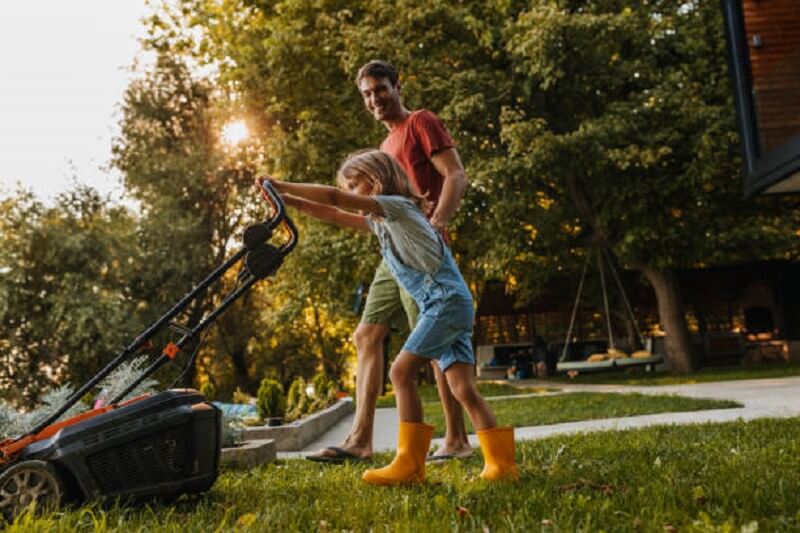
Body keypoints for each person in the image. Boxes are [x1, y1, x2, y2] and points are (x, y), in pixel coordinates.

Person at [260, 149, 518, 485]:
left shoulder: (397, 207)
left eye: (355, 184)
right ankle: (501, 466)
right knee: (463, 389)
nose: (351, 192)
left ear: (376, 177)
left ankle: (410, 465)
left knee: (399, 373)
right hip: (447, 304)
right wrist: (288, 201)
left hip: (444, 302)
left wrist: (280, 184)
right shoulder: (381, 222)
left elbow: (336, 199)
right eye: (349, 187)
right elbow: (334, 212)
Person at [307, 60, 471, 463]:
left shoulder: (420, 122)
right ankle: (360, 440)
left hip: (421, 256)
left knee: (433, 343)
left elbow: (455, 174)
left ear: (398, 86)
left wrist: (438, 222)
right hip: (392, 257)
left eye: (381, 89)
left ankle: (456, 439)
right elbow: (369, 215)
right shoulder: (383, 150)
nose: (374, 99)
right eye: (367, 93)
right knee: (366, 335)